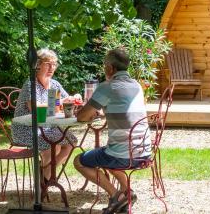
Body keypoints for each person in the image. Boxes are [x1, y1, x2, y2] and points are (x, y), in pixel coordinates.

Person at [74, 49, 150, 214]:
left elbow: (81, 117)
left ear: (109, 68)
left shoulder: (107, 87)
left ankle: (116, 195)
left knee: (79, 161)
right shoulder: (136, 85)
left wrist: (84, 111)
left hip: (123, 156)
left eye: (104, 66)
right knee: (111, 152)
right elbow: (123, 108)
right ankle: (127, 191)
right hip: (144, 152)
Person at [12, 48, 78, 181]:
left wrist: (74, 98)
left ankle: (45, 176)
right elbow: (37, 112)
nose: (51, 67)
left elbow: (67, 101)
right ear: (38, 64)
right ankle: (44, 182)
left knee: (71, 142)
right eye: (48, 64)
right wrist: (59, 103)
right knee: (52, 145)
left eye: (54, 64)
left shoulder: (54, 84)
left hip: (47, 128)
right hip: (26, 129)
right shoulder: (31, 84)